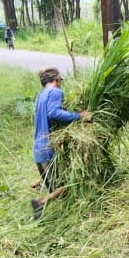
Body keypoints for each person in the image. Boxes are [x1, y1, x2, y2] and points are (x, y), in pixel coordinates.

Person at [31, 67, 90, 218]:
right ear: (56, 79)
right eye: (61, 80)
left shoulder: (40, 95)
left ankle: (38, 209)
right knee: (66, 187)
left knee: (56, 185)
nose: (61, 83)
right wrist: (79, 116)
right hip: (47, 149)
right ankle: (40, 202)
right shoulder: (56, 92)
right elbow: (54, 112)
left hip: (38, 148)